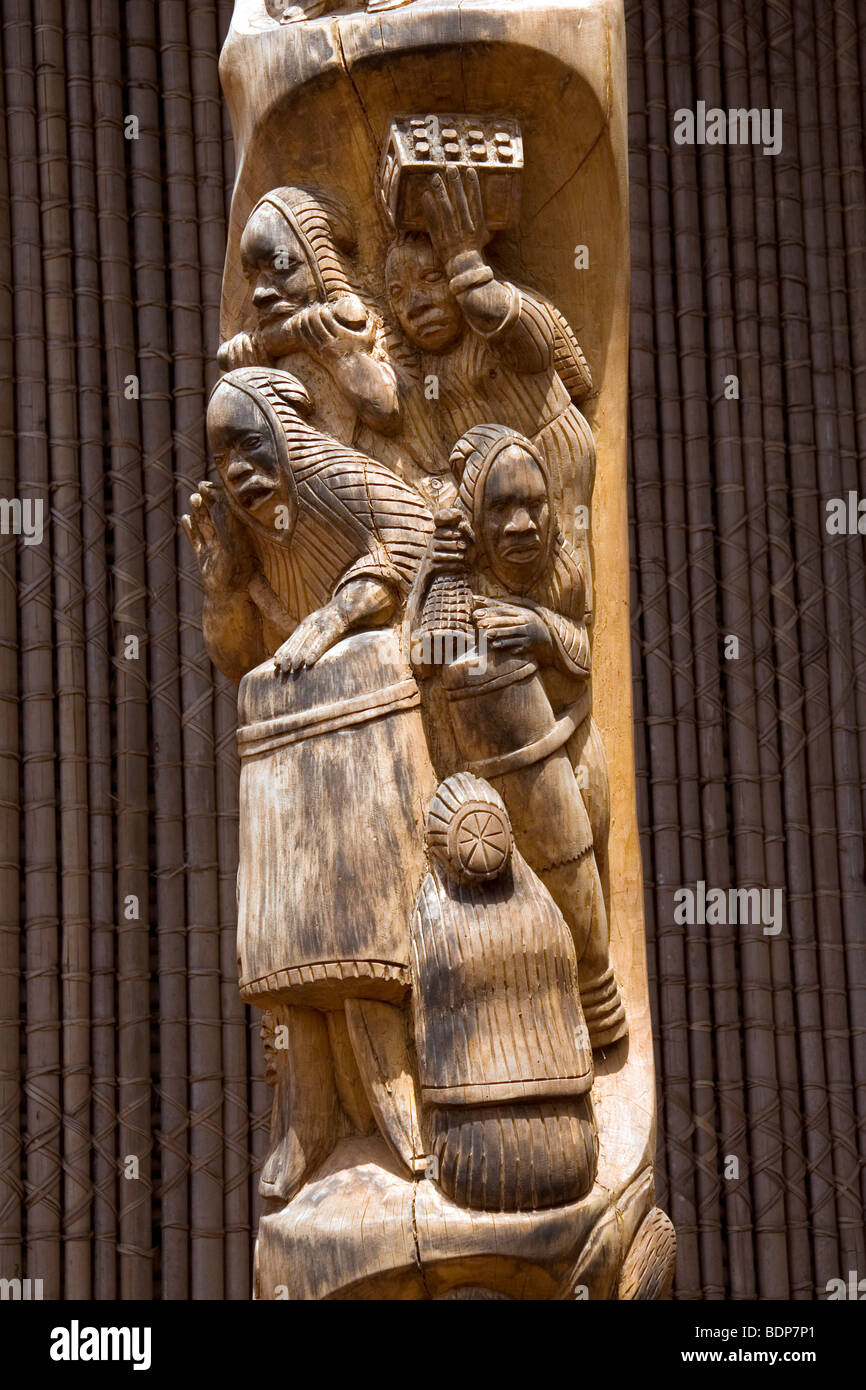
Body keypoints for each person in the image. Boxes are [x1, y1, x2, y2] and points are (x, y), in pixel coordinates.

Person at [419, 422, 625, 1048]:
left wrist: (539, 628)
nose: (521, 526)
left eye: (533, 506)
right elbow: (427, 654)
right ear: (475, 521)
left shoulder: (563, 567)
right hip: (488, 761)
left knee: (576, 874)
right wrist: (438, 575)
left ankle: (597, 1002)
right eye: (501, 509)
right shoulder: (461, 571)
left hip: (570, 741)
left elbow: (585, 653)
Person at [383, 164, 599, 616]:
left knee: (565, 588)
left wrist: (465, 264)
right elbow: (421, 450)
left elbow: (533, 343)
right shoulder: (422, 368)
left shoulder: (497, 311)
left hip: (549, 453)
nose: (415, 303)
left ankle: (552, 631)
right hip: (483, 492)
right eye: (397, 293)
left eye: (430, 279)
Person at [181, 367, 432, 684]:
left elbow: (422, 543)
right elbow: (240, 665)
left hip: (395, 670)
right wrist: (223, 595)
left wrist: (340, 613)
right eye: (221, 459)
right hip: (306, 700)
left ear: (289, 433)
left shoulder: (344, 478)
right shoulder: (241, 535)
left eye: (253, 442)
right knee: (256, 690)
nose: (236, 470)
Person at [218, 185, 400, 444]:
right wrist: (251, 386)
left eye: (282, 267)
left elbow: (386, 411)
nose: (259, 294)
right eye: (252, 276)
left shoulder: (355, 329)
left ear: (321, 265)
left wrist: (340, 353)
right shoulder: (265, 349)